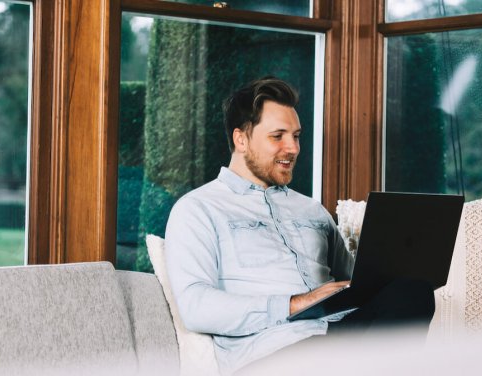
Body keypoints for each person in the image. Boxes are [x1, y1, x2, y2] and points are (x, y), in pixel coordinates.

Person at [164, 77, 435, 374]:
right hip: (272, 352)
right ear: (241, 139)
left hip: (336, 336)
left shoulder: (311, 210)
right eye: (277, 136)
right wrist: (296, 303)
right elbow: (197, 307)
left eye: (296, 136)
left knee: (413, 291)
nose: (292, 148)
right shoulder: (198, 209)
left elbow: (354, 284)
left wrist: (389, 262)